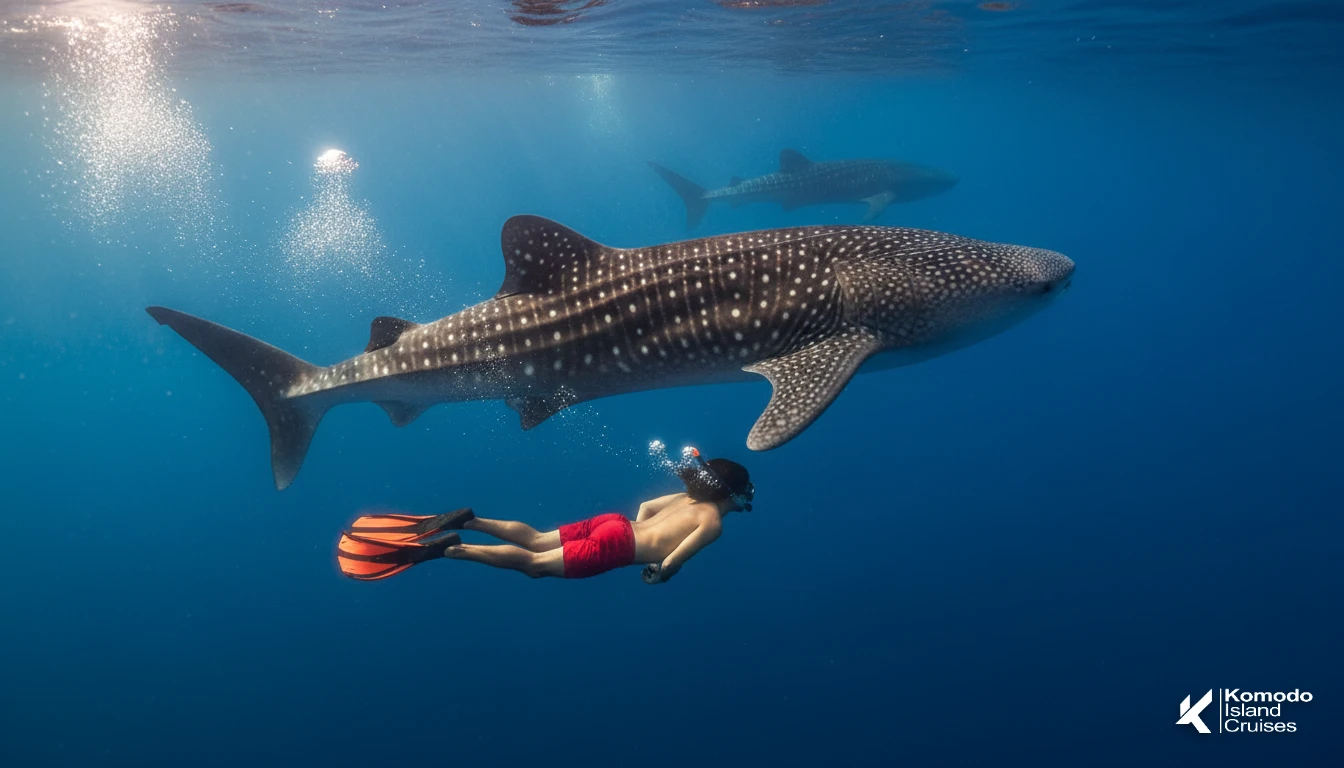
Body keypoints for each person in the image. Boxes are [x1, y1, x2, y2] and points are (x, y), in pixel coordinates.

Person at [337, 449, 753, 584]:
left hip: (617, 525)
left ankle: (468, 521)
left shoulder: (687, 499)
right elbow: (677, 558)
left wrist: (636, 532)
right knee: (536, 565)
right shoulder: (712, 523)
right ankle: (452, 550)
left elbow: (644, 510)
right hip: (621, 546)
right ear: (731, 493)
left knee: (536, 539)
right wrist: (660, 574)